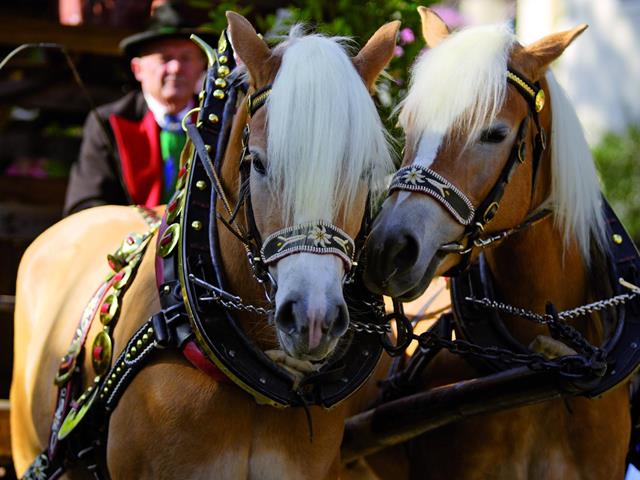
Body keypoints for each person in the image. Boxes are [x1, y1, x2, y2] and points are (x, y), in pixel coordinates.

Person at [63, 2, 215, 215]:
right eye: (165, 58)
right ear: (138, 69)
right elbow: (86, 205)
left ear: (202, 66)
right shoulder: (108, 122)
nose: (176, 68)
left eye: (186, 58)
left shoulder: (217, 120)